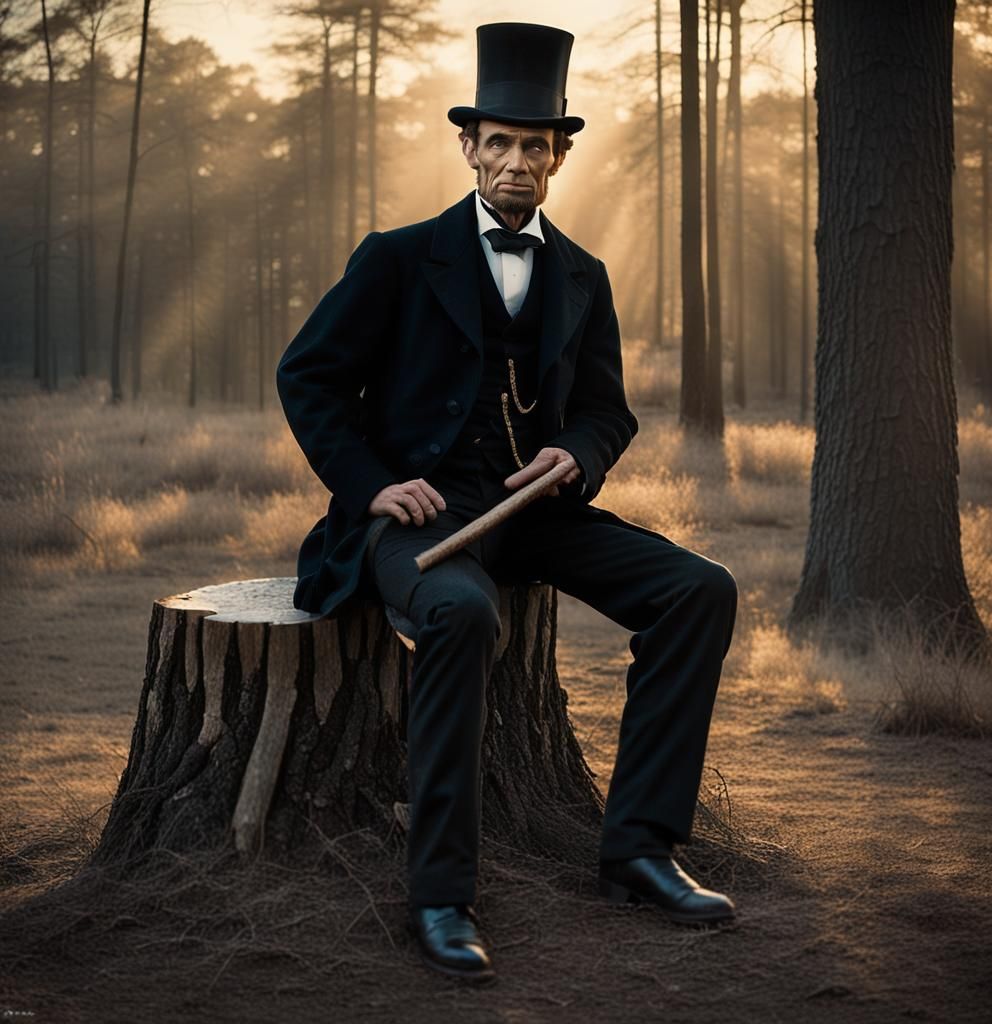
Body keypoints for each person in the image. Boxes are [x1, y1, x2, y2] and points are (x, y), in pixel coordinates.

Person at [276, 21, 739, 985]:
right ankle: (442, 895)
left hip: (540, 515)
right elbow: (308, 377)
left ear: (558, 157)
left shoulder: (583, 275)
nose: (517, 159)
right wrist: (371, 487)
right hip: (422, 520)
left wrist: (579, 449)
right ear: (469, 147)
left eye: (537, 144)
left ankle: (642, 851)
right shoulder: (397, 258)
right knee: (462, 612)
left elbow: (610, 409)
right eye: (500, 140)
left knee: (700, 589)